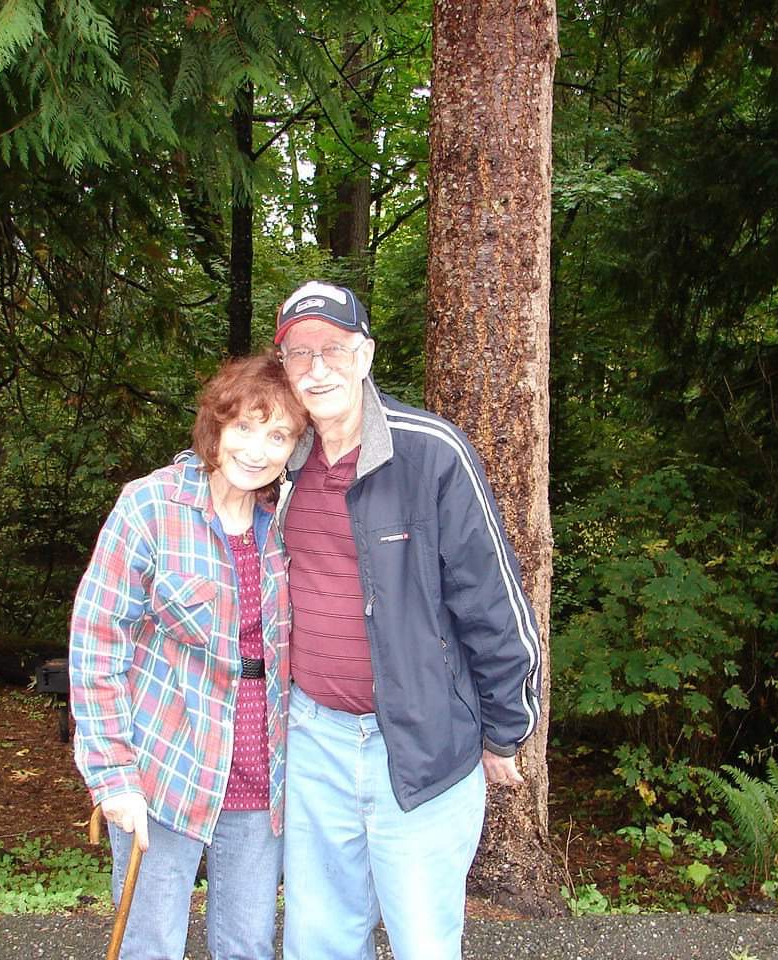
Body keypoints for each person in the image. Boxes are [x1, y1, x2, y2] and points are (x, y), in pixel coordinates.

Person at [274, 281, 543, 960]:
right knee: (319, 939)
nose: (317, 368)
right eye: (299, 353)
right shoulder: (277, 462)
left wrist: (506, 727)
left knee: (423, 940)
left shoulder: (430, 453)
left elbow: (494, 600)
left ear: (365, 355)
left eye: (332, 348)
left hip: (422, 743)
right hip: (312, 742)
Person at [68, 351, 307, 960]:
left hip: (262, 766)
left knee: (249, 944)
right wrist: (113, 776)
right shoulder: (151, 507)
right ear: (216, 426)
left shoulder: (290, 520)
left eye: (277, 433)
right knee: (150, 941)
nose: (257, 448)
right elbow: (97, 646)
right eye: (245, 426)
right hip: (165, 763)